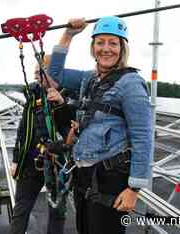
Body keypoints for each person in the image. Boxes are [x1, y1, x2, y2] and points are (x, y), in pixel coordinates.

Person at [47, 16, 152, 234]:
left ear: (122, 48)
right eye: (100, 42)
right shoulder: (90, 79)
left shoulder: (131, 84)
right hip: (84, 174)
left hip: (110, 178)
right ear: (93, 47)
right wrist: (68, 35)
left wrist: (134, 189)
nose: (106, 49)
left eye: (113, 43)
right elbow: (53, 77)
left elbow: (143, 137)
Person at [9, 55, 70, 234]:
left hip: (56, 164)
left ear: (54, 74)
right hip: (30, 162)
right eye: (35, 72)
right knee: (21, 209)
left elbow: (72, 130)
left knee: (57, 212)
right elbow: (23, 131)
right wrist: (15, 160)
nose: (36, 76)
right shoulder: (32, 95)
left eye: (39, 73)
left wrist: (61, 104)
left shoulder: (69, 94)